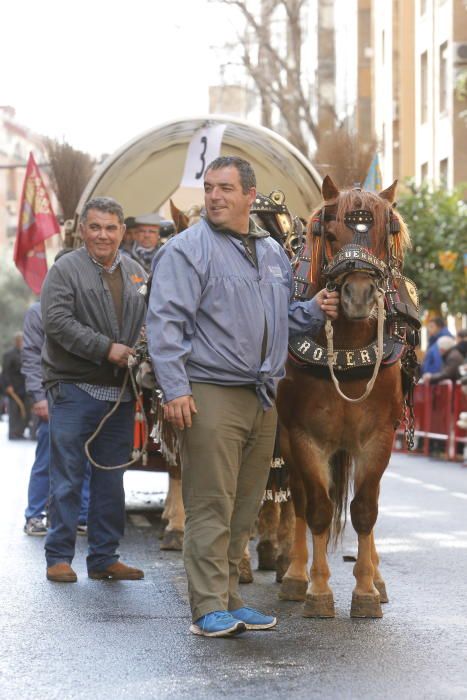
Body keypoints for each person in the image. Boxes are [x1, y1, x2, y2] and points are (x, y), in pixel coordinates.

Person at [146, 156, 339, 638]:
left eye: (226, 188)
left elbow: (278, 320)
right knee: (211, 502)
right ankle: (207, 607)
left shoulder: (271, 252)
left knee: (244, 505)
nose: (214, 196)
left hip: (262, 396)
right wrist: (175, 388)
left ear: (250, 196)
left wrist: (312, 310)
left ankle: (231, 598)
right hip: (210, 392)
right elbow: (165, 324)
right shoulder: (186, 250)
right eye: (209, 187)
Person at [41, 196, 147, 583]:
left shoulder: (137, 274)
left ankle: (104, 557)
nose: (103, 235)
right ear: (83, 230)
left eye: (111, 227)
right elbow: (56, 322)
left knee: (111, 480)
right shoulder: (65, 269)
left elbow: (149, 320)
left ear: (122, 232)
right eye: (96, 227)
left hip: (120, 393)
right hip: (73, 389)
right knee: (67, 477)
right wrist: (106, 348)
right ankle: (58, 557)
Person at [21, 299, 91, 536]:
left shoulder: (88, 306)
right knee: (47, 457)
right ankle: (35, 515)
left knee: (86, 458)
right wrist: (39, 397)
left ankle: (81, 515)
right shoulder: (38, 311)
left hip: (86, 394)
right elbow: (31, 357)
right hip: (52, 395)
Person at [2, 333, 29, 439]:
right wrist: (7, 385)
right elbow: (5, 372)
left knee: (25, 409)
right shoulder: (9, 355)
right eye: (19, 340)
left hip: (25, 387)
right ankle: (13, 433)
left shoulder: (26, 353)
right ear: (16, 341)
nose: (21, 342)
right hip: (13, 388)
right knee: (13, 411)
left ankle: (20, 432)